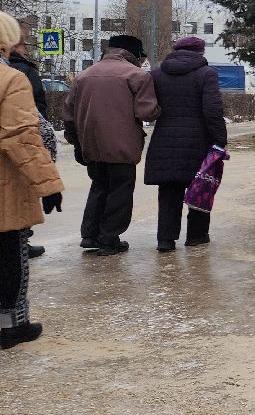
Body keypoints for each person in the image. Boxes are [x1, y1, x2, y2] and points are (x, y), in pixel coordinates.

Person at [63, 33, 159, 256]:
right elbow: (147, 112)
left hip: (91, 144)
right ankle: (109, 238)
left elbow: (68, 115)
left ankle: (89, 235)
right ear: (134, 54)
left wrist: (76, 142)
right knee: (120, 190)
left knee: (99, 186)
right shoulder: (137, 76)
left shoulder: (83, 76)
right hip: (122, 146)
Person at [1, 11, 64, 348]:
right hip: (5, 185)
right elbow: (22, 137)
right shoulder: (10, 79)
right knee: (10, 251)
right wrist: (48, 185)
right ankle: (12, 326)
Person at [143, 35, 226, 252]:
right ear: (200, 52)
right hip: (198, 141)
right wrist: (220, 139)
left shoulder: (157, 75)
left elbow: (150, 109)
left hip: (164, 139)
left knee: (169, 188)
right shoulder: (207, 74)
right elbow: (213, 111)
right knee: (200, 185)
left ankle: (165, 239)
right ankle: (196, 236)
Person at [7, 33, 48, 260]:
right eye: (23, 44)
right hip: (19, 144)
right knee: (18, 193)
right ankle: (22, 240)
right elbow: (35, 112)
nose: (26, 48)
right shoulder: (23, 73)